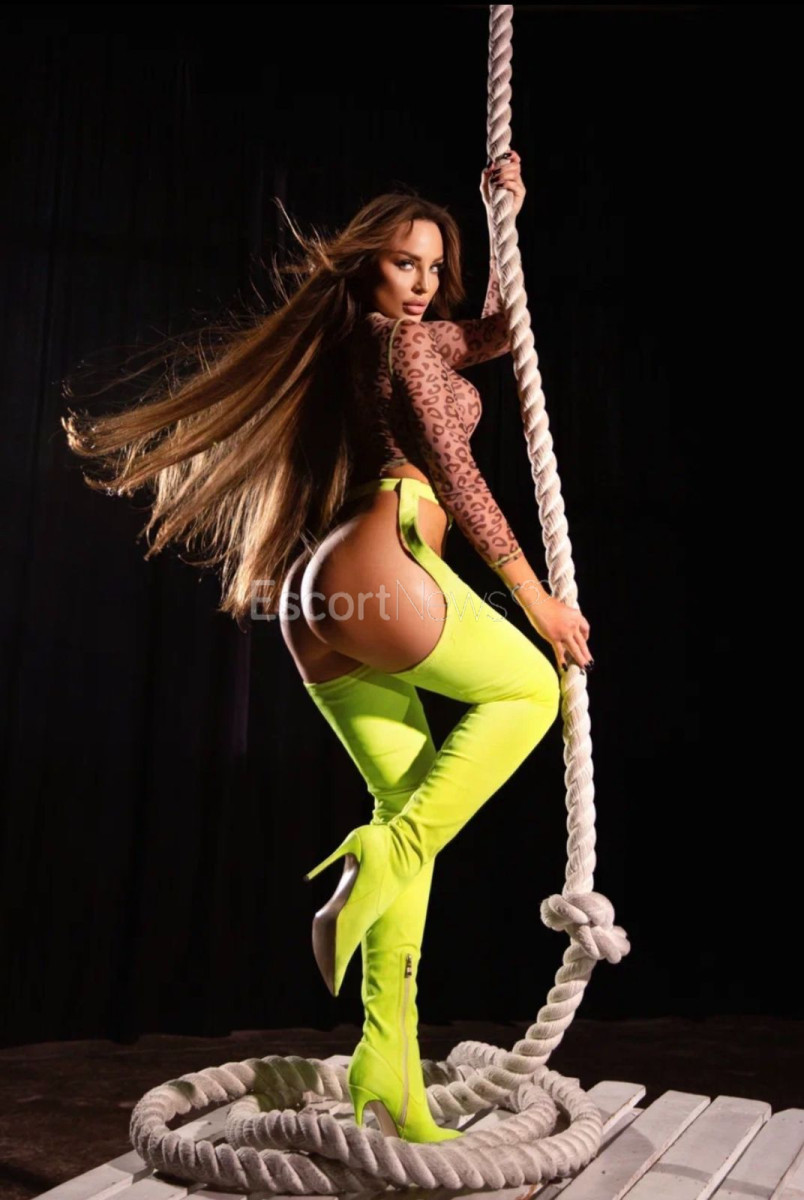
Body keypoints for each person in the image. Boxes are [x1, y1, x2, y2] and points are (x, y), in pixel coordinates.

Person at [62, 149, 592, 1145]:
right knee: (528, 688)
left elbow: (497, 333)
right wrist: (537, 600)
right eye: (404, 263)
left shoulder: (367, 340)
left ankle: (386, 1078)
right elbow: (457, 474)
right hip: (390, 559)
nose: (423, 282)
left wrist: (503, 215)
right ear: (366, 265)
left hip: (322, 595)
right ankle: (381, 855)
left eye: (435, 267)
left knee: (409, 805)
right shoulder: (405, 347)